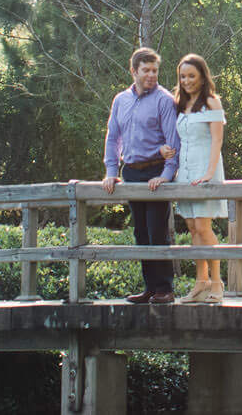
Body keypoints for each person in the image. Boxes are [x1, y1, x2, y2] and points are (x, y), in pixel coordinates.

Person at [101, 46, 180, 304]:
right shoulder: (120, 100)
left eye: (155, 70)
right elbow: (113, 138)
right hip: (131, 172)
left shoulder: (164, 100)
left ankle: (164, 288)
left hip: (156, 171)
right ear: (133, 71)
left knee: (158, 232)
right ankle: (149, 288)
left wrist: (167, 176)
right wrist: (111, 172)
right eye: (146, 70)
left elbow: (173, 142)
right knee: (141, 233)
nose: (151, 75)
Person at [170, 53, 229, 303]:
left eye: (191, 76)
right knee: (192, 227)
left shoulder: (211, 103)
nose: (186, 80)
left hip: (206, 168)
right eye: (183, 76)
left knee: (204, 227)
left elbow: (217, 140)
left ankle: (217, 282)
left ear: (203, 76)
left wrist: (208, 173)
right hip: (185, 171)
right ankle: (200, 282)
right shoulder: (180, 104)